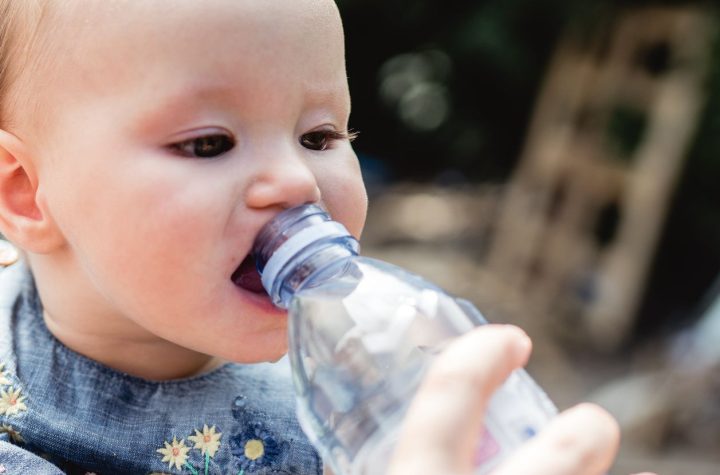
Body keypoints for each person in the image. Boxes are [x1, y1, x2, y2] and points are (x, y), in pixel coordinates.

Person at [0, 0, 623, 473]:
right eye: (209, 143)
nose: (298, 182)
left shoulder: (361, 392)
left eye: (320, 137)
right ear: (25, 192)